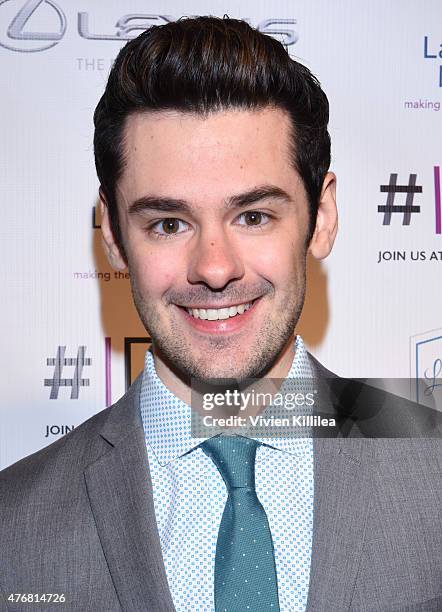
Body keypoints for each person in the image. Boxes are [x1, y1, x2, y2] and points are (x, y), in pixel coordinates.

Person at [0, 16, 440, 612]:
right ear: (112, 232)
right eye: (168, 223)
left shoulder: (432, 473)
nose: (213, 268)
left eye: (253, 216)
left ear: (323, 216)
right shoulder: (14, 524)